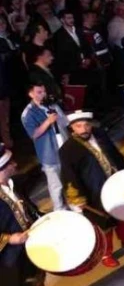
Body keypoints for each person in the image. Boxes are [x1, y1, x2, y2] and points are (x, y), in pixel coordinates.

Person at [58, 111, 124, 267]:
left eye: (86, 125)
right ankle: (106, 253)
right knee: (104, 223)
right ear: (72, 128)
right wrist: (77, 199)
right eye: (78, 126)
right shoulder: (68, 150)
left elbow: (115, 155)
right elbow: (69, 176)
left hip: (114, 182)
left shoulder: (100, 135)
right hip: (94, 191)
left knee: (122, 211)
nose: (83, 129)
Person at [0, 145, 59, 286]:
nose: (15, 165)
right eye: (10, 164)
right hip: (9, 257)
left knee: (37, 283)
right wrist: (9, 239)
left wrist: (43, 219)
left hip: (29, 245)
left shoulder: (14, 184)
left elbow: (28, 207)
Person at [20, 82, 69, 210]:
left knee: (70, 179)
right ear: (31, 94)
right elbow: (34, 134)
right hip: (50, 154)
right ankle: (60, 210)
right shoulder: (28, 113)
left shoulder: (52, 104)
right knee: (56, 185)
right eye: (39, 92)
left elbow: (65, 122)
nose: (43, 94)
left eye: (44, 91)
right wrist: (48, 121)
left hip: (64, 147)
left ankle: (74, 204)